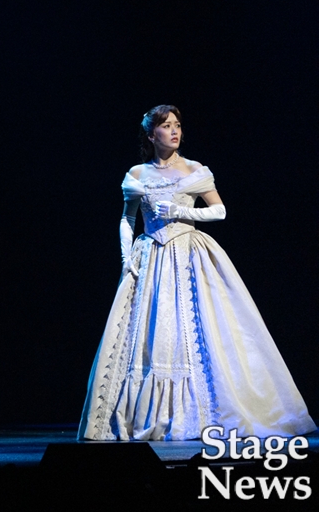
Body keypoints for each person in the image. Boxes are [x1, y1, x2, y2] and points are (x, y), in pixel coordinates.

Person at [78, 105, 314, 441]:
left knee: (204, 331)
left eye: (177, 125)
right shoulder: (138, 175)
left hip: (189, 253)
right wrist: (126, 256)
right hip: (151, 259)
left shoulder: (194, 170)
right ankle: (148, 415)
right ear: (151, 135)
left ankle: (203, 412)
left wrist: (180, 210)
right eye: (166, 126)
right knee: (149, 338)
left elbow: (220, 211)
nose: (174, 131)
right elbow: (127, 219)